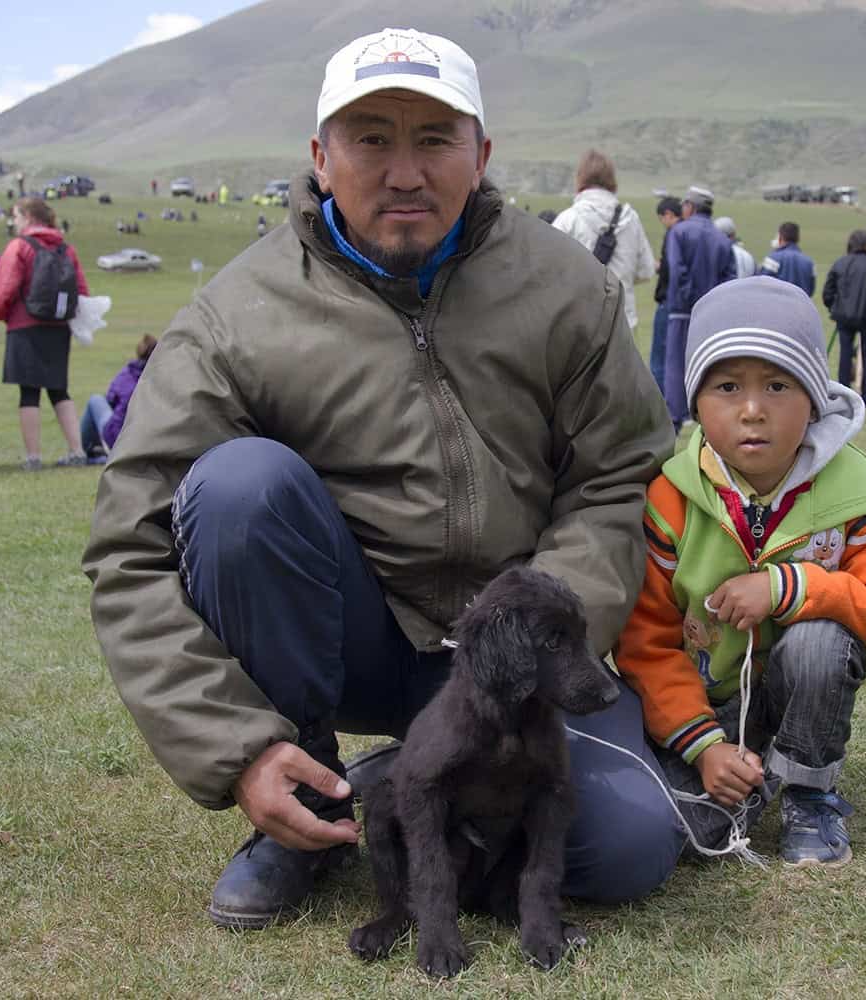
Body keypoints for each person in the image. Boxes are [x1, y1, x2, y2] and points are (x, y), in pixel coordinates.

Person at [81, 27, 678, 931]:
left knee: (624, 847)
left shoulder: (565, 288)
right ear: (322, 157)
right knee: (239, 489)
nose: (405, 171)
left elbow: (617, 478)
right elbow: (130, 543)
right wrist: (234, 749)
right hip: (349, 641)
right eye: (371, 139)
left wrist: (536, 643)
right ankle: (306, 796)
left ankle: (400, 778)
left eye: (435, 139)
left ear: (481, 156)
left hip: (515, 655)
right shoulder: (236, 316)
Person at [614, 276, 866, 867]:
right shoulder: (670, 500)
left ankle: (808, 789)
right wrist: (705, 749)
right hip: (704, 702)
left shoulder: (856, 495)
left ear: (815, 398)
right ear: (696, 401)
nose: (752, 410)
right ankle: (741, 774)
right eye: (727, 386)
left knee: (820, 641)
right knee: (694, 835)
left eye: (777, 385)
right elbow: (645, 644)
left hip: (797, 690)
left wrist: (785, 586)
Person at [0, 197, 91, 468]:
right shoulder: (65, 249)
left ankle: (33, 456)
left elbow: (5, 288)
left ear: (27, 217)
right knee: (60, 389)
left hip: (25, 325)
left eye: (16, 216)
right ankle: (76, 450)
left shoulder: (20, 247)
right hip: (59, 327)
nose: (14, 222)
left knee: (29, 392)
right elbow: (81, 289)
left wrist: (2, 314)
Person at [550, 149, 656, 330]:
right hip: (623, 322)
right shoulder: (632, 220)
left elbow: (549, 273)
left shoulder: (568, 219)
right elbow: (646, 270)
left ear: (580, 178)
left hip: (578, 324)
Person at [665, 185, 737, 427]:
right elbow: (730, 278)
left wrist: (689, 298)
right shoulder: (722, 239)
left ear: (690, 206)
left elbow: (677, 271)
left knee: (676, 364)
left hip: (682, 310)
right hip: (714, 313)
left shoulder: (679, 232)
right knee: (709, 364)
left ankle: (676, 417)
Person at [823, 229, 866, 408]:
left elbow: (827, 292)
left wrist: (834, 307)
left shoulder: (840, 263)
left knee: (845, 354)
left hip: (844, 316)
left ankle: (844, 396)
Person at [79, 334, 157, 462]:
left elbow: (110, 398)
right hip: (149, 442)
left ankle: (91, 451)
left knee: (96, 400)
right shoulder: (162, 379)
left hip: (118, 438)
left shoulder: (128, 374)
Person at [649, 196, 682, 396]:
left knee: (659, 359)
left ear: (668, 215)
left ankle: (661, 400)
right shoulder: (688, 233)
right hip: (683, 305)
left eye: (662, 218)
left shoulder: (674, 234)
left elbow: (671, 268)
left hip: (668, 301)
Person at [759, 222, 816, 298]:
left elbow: (762, 284)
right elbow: (811, 290)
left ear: (780, 237)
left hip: (777, 306)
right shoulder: (809, 263)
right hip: (801, 307)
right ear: (797, 238)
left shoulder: (773, 259)